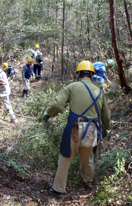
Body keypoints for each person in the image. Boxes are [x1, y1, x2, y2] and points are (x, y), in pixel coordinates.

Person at [42, 61, 111, 199]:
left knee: (65, 158)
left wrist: (47, 114)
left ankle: (58, 190)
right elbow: (106, 116)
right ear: (92, 75)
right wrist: (105, 130)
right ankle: (88, 182)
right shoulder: (99, 91)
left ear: (78, 74)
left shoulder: (72, 87)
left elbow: (58, 104)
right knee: (87, 157)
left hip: (75, 128)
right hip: (92, 128)